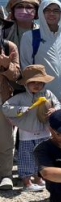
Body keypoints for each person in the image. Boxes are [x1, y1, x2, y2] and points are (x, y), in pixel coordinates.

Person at [2, 65, 61, 191]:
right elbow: (5, 107)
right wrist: (21, 110)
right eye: (32, 82)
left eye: (40, 82)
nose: (36, 85)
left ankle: (39, 178)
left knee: (42, 156)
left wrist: (54, 109)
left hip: (44, 131)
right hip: (26, 133)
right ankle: (27, 182)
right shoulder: (21, 97)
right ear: (26, 84)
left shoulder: (48, 94)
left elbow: (58, 104)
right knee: (26, 157)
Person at [0, 26, 21, 190]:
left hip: (3, 97)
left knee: (5, 138)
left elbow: (17, 76)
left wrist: (7, 66)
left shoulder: (9, 46)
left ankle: (6, 175)